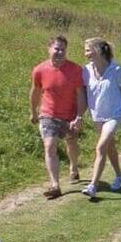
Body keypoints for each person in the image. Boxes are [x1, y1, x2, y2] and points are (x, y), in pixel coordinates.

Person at [29, 35, 86, 200]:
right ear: (49, 49)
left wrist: (79, 116)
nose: (60, 52)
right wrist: (33, 111)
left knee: (72, 143)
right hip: (48, 115)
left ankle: (74, 167)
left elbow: (81, 95)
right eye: (56, 49)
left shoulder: (75, 70)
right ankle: (55, 185)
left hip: (70, 116)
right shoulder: (39, 70)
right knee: (49, 146)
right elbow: (35, 92)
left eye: (63, 49)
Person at [81, 38, 121, 199]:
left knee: (101, 146)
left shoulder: (116, 69)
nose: (86, 54)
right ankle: (118, 175)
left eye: (88, 50)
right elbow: (81, 95)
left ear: (98, 50)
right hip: (97, 115)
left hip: (115, 114)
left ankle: (93, 185)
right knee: (109, 147)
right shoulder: (86, 71)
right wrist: (78, 115)